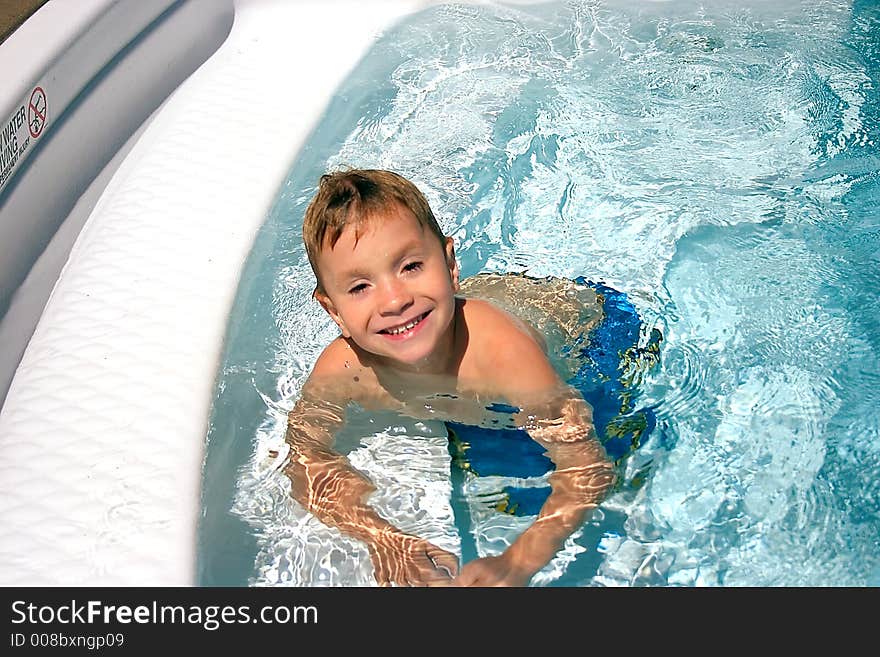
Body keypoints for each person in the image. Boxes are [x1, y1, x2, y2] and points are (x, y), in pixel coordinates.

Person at [283, 168, 618, 587]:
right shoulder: (345, 369)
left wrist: (518, 561)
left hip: (595, 332)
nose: (395, 299)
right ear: (333, 311)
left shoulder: (502, 354)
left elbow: (588, 468)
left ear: (450, 264)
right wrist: (383, 539)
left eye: (411, 266)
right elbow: (305, 457)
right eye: (360, 287)